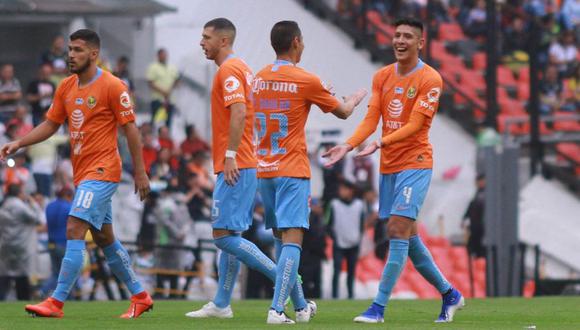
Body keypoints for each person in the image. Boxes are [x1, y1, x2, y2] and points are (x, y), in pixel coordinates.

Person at [0, 29, 153, 318]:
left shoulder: (112, 85)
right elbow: (50, 124)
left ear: (93, 54)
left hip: (104, 169)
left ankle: (55, 302)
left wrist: (140, 172)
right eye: (70, 49)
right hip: (82, 173)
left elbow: (130, 129)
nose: (71, 55)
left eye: (78, 50)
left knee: (73, 228)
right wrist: (19, 143)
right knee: (106, 239)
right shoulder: (67, 87)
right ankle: (141, 295)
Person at [323, 17, 464, 324]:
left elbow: (415, 126)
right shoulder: (383, 76)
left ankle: (378, 307)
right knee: (408, 238)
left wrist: (380, 143)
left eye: (408, 37)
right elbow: (371, 118)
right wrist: (347, 146)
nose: (400, 40)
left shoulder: (431, 79)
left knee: (396, 230)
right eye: (397, 35)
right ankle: (450, 294)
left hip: (416, 163)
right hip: (390, 167)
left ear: (420, 43)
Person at [185, 18, 311, 322]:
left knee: (221, 236)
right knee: (231, 233)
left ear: (223, 41)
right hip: (244, 163)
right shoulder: (240, 67)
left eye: (206, 37)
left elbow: (239, 110)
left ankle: (289, 285)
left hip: (236, 164)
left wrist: (229, 155)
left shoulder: (229, 70)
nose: (202, 42)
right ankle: (222, 303)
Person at [254, 20, 367, 323]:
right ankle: (277, 310)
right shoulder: (306, 79)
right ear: (295, 42)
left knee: (281, 241)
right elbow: (342, 112)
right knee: (293, 240)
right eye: (302, 41)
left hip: (264, 169)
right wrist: (353, 99)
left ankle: (301, 307)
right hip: (291, 170)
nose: (303, 46)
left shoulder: (258, 79)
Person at [0, 184, 44, 300]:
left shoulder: (3, 206)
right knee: (22, 275)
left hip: (5, 246)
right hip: (22, 246)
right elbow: (38, 219)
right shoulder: (20, 206)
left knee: (5, 274)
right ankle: (22, 299)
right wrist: (33, 203)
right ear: (19, 193)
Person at [326, 179, 366, 299]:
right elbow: (328, 224)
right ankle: (334, 296)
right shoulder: (334, 204)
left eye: (344, 189)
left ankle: (350, 295)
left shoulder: (359, 205)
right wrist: (335, 237)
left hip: (354, 243)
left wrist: (358, 238)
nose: (341, 191)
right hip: (339, 243)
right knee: (336, 271)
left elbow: (361, 223)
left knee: (351, 271)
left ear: (351, 191)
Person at [41, 186, 74, 296]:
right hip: (64, 244)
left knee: (56, 273)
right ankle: (71, 297)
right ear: (67, 195)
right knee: (68, 272)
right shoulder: (68, 207)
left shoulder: (49, 206)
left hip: (51, 244)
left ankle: (42, 291)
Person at [146, 48, 180, 128]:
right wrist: (163, 92)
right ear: (158, 56)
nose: (164, 57)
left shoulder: (172, 67)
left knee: (168, 124)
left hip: (170, 100)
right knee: (156, 123)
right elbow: (150, 83)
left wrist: (171, 89)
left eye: (165, 55)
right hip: (158, 100)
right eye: (163, 55)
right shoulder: (153, 67)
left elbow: (177, 81)